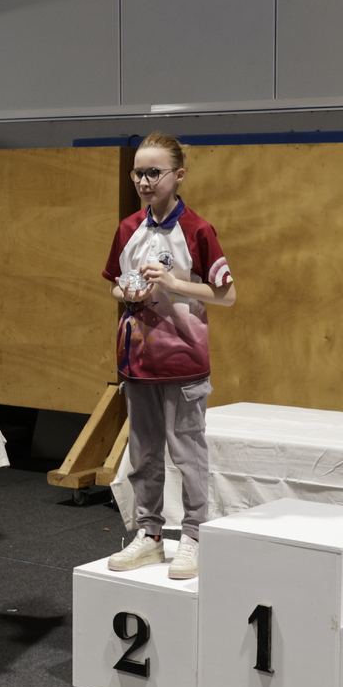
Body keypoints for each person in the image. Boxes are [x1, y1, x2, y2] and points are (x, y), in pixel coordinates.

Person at [102, 133, 236, 580]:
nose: (145, 182)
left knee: (187, 453)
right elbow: (114, 285)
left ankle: (195, 536)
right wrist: (128, 293)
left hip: (183, 359)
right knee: (143, 454)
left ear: (179, 175)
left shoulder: (197, 230)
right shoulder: (128, 228)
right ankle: (150, 535)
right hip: (136, 360)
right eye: (138, 173)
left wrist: (175, 284)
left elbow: (228, 295)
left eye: (154, 173)